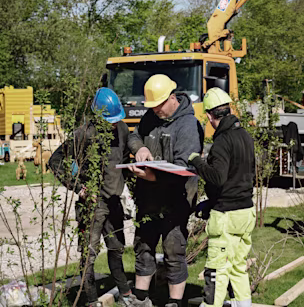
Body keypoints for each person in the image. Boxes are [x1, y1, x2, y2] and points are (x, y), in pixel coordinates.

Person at [49, 88, 133, 307]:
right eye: (109, 121)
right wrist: (77, 186)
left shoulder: (122, 129)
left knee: (116, 250)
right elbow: (55, 160)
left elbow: (124, 159)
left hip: (114, 202)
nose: (114, 124)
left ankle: (125, 294)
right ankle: (92, 300)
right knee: (89, 256)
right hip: (92, 206)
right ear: (98, 117)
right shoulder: (83, 134)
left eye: (117, 120)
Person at [127, 74, 204, 307]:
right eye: (152, 106)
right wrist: (139, 148)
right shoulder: (151, 117)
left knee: (173, 250)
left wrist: (153, 176)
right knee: (143, 246)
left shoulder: (189, 125)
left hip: (176, 200)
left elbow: (185, 167)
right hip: (148, 199)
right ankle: (141, 297)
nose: (156, 110)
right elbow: (133, 136)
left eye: (159, 105)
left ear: (172, 98)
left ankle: (174, 301)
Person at [188, 87, 256, 307]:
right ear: (228, 109)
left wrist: (197, 162)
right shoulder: (245, 135)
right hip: (246, 211)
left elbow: (217, 177)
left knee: (216, 270)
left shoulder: (222, 141)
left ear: (209, 116)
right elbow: (239, 175)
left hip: (226, 215)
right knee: (238, 266)